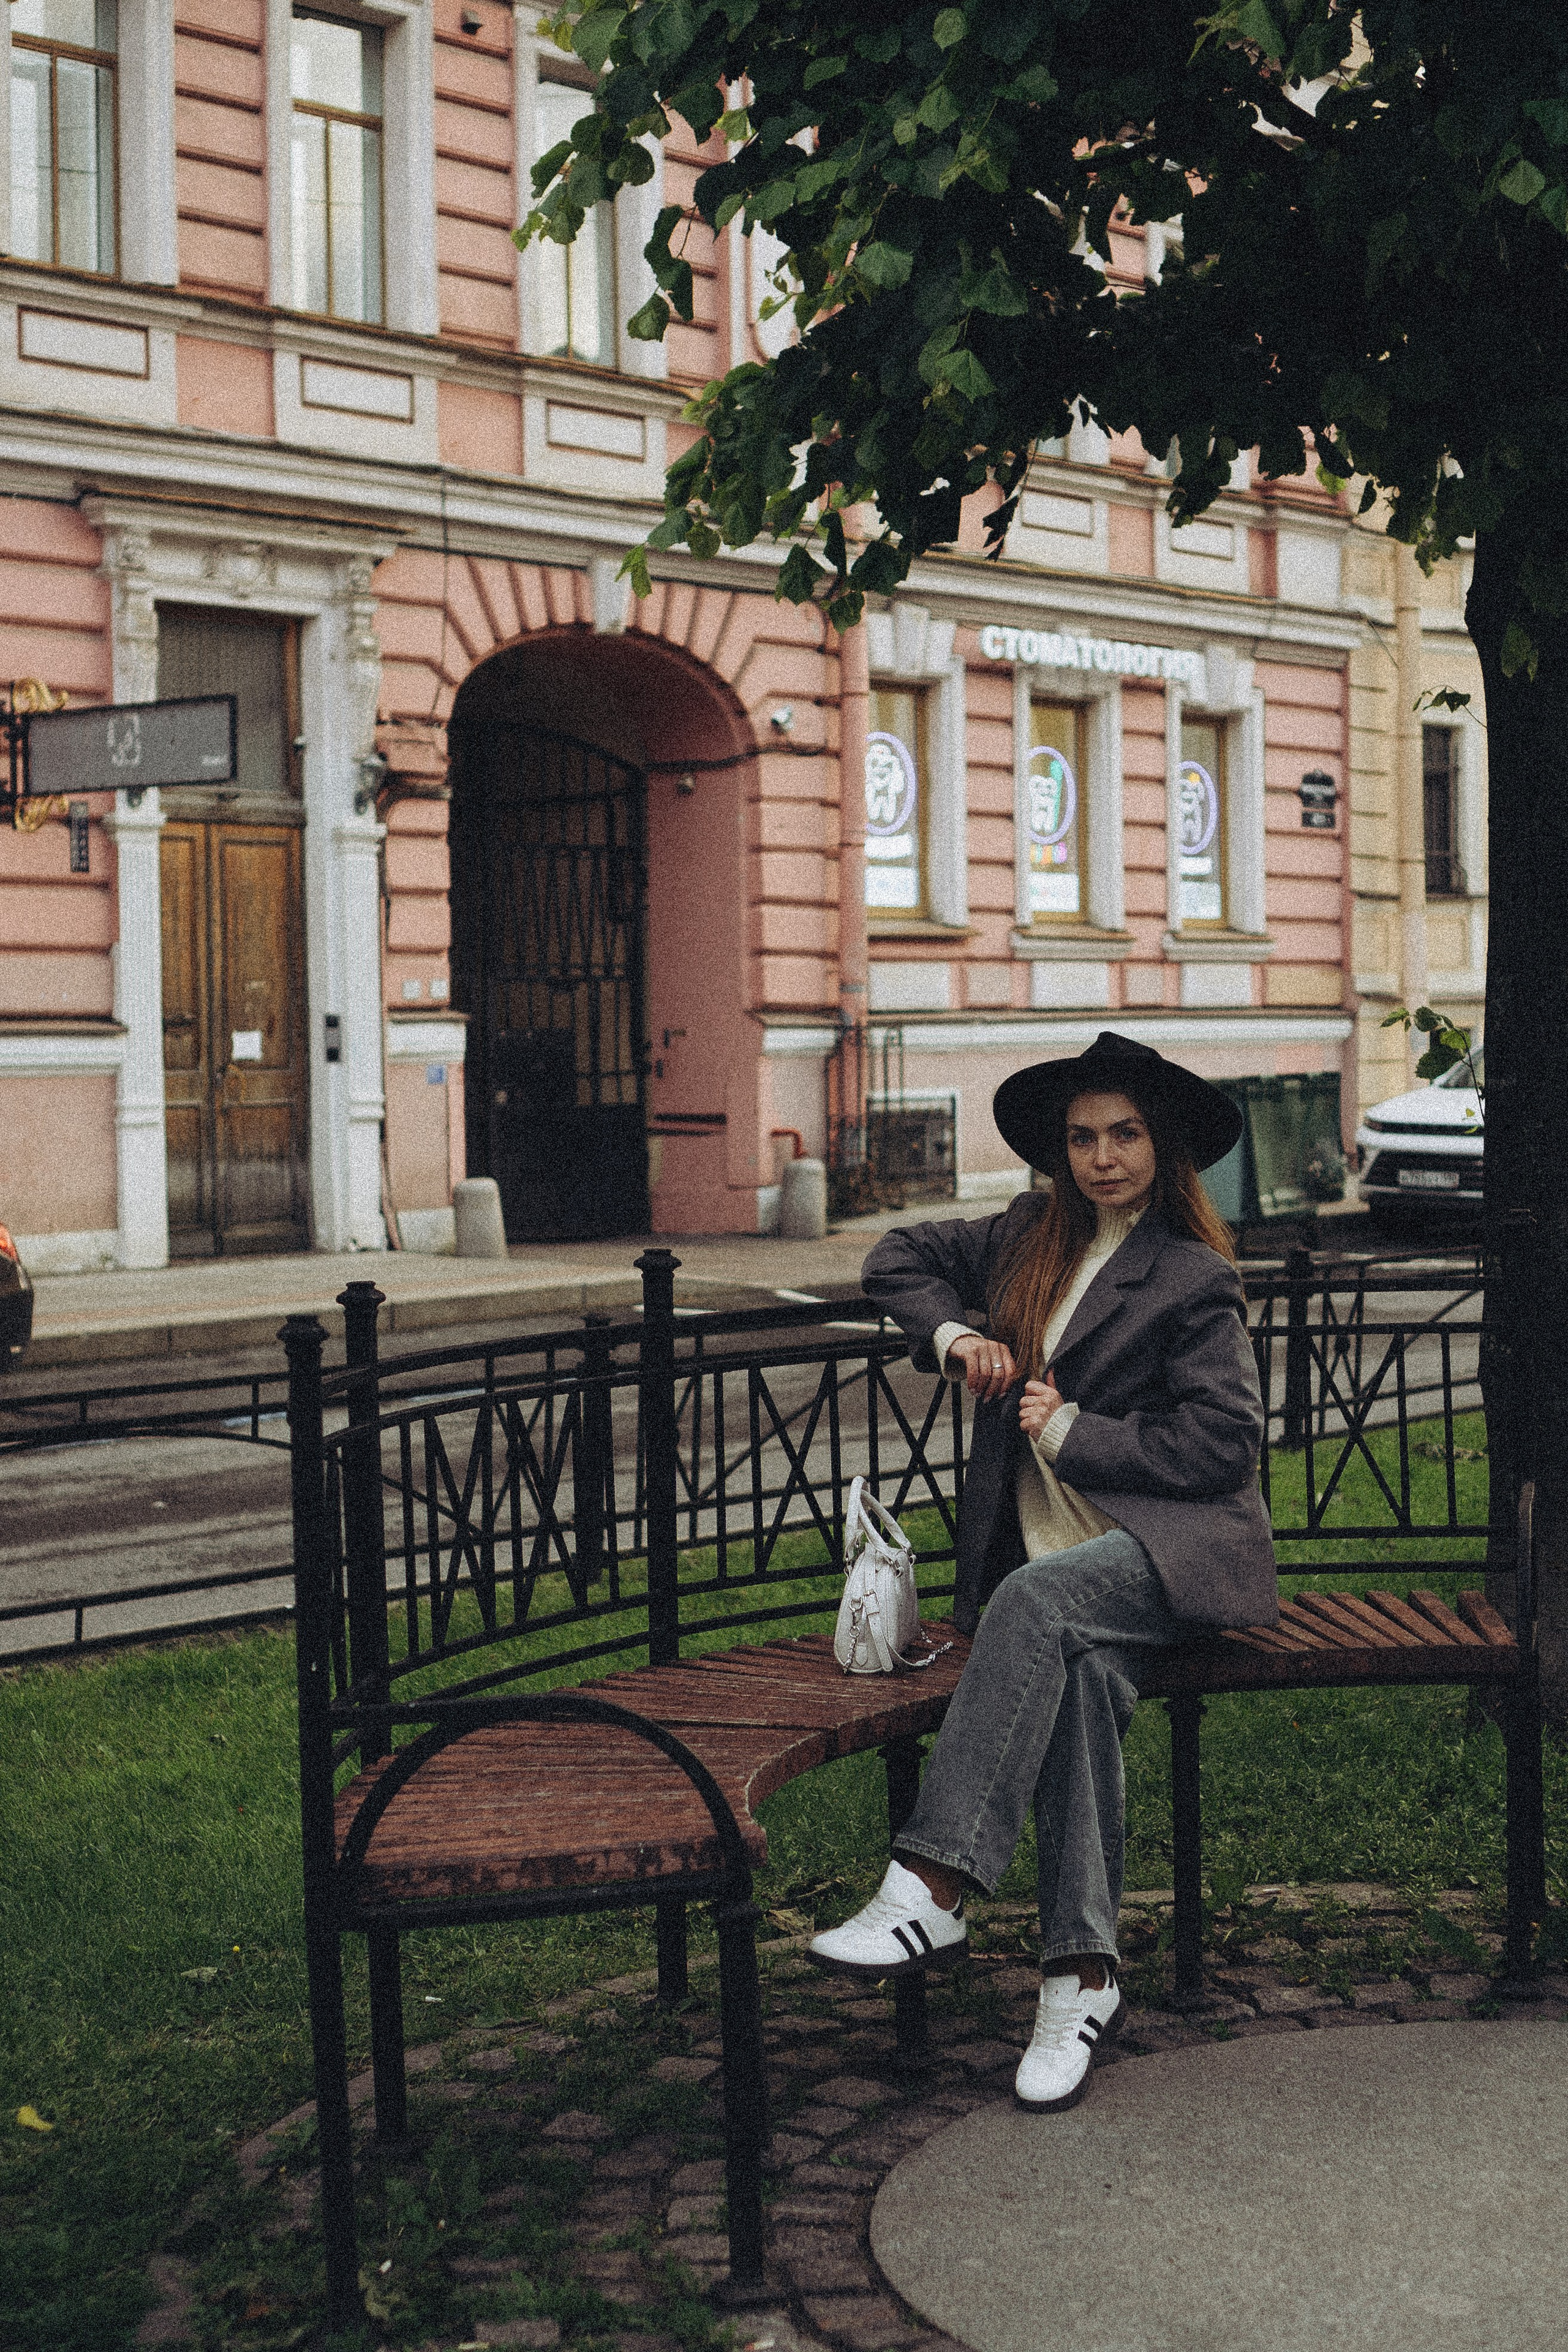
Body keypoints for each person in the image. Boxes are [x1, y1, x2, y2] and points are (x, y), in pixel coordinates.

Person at [809, 1030, 1276, 2111]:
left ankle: (932, 1885)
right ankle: (1081, 1978)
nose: (1104, 1156)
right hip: (1058, 1591)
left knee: (1037, 1602)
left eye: (1125, 1134)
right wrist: (954, 1337)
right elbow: (895, 1259)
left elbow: (1223, 1447)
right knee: (1077, 1684)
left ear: (1161, 1146)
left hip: (1166, 1559)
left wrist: (1071, 1432)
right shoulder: (1024, 1234)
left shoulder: (1192, 1278)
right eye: (1083, 1137)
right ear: (1059, 1151)